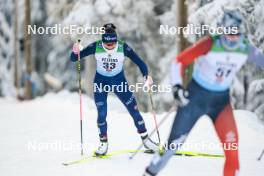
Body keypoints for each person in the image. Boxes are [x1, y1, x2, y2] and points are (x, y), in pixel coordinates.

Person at [143, 10, 263, 176]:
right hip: (195, 99)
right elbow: (178, 61)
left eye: (237, 32)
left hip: (220, 103)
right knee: (173, 146)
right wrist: (177, 88)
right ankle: (150, 171)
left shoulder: (246, 49)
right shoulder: (210, 44)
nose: (233, 37)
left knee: (232, 149)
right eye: (229, 32)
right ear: (222, 30)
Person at [70, 23, 158, 156]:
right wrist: (75, 51)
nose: (110, 47)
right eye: (107, 45)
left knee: (134, 110)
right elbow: (73, 58)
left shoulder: (123, 47)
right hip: (101, 83)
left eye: (112, 44)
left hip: (119, 82)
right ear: (103, 41)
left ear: (116, 40)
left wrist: (147, 76)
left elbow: (140, 62)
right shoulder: (96, 46)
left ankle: (146, 140)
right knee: (101, 113)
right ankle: (103, 143)